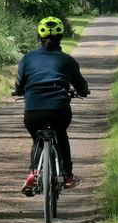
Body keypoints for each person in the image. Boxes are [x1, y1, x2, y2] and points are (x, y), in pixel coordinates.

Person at [14, 16, 89, 196]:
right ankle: (68, 175)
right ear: (61, 37)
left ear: (38, 37)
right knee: (61, 134)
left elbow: (19, 85)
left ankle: (33, 172)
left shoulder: (27, 59)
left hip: (33, 111)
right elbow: (81, 86)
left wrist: (19, 91)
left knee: (37, 138)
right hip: (59, 110)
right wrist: (83, 92)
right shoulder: (67, 60)